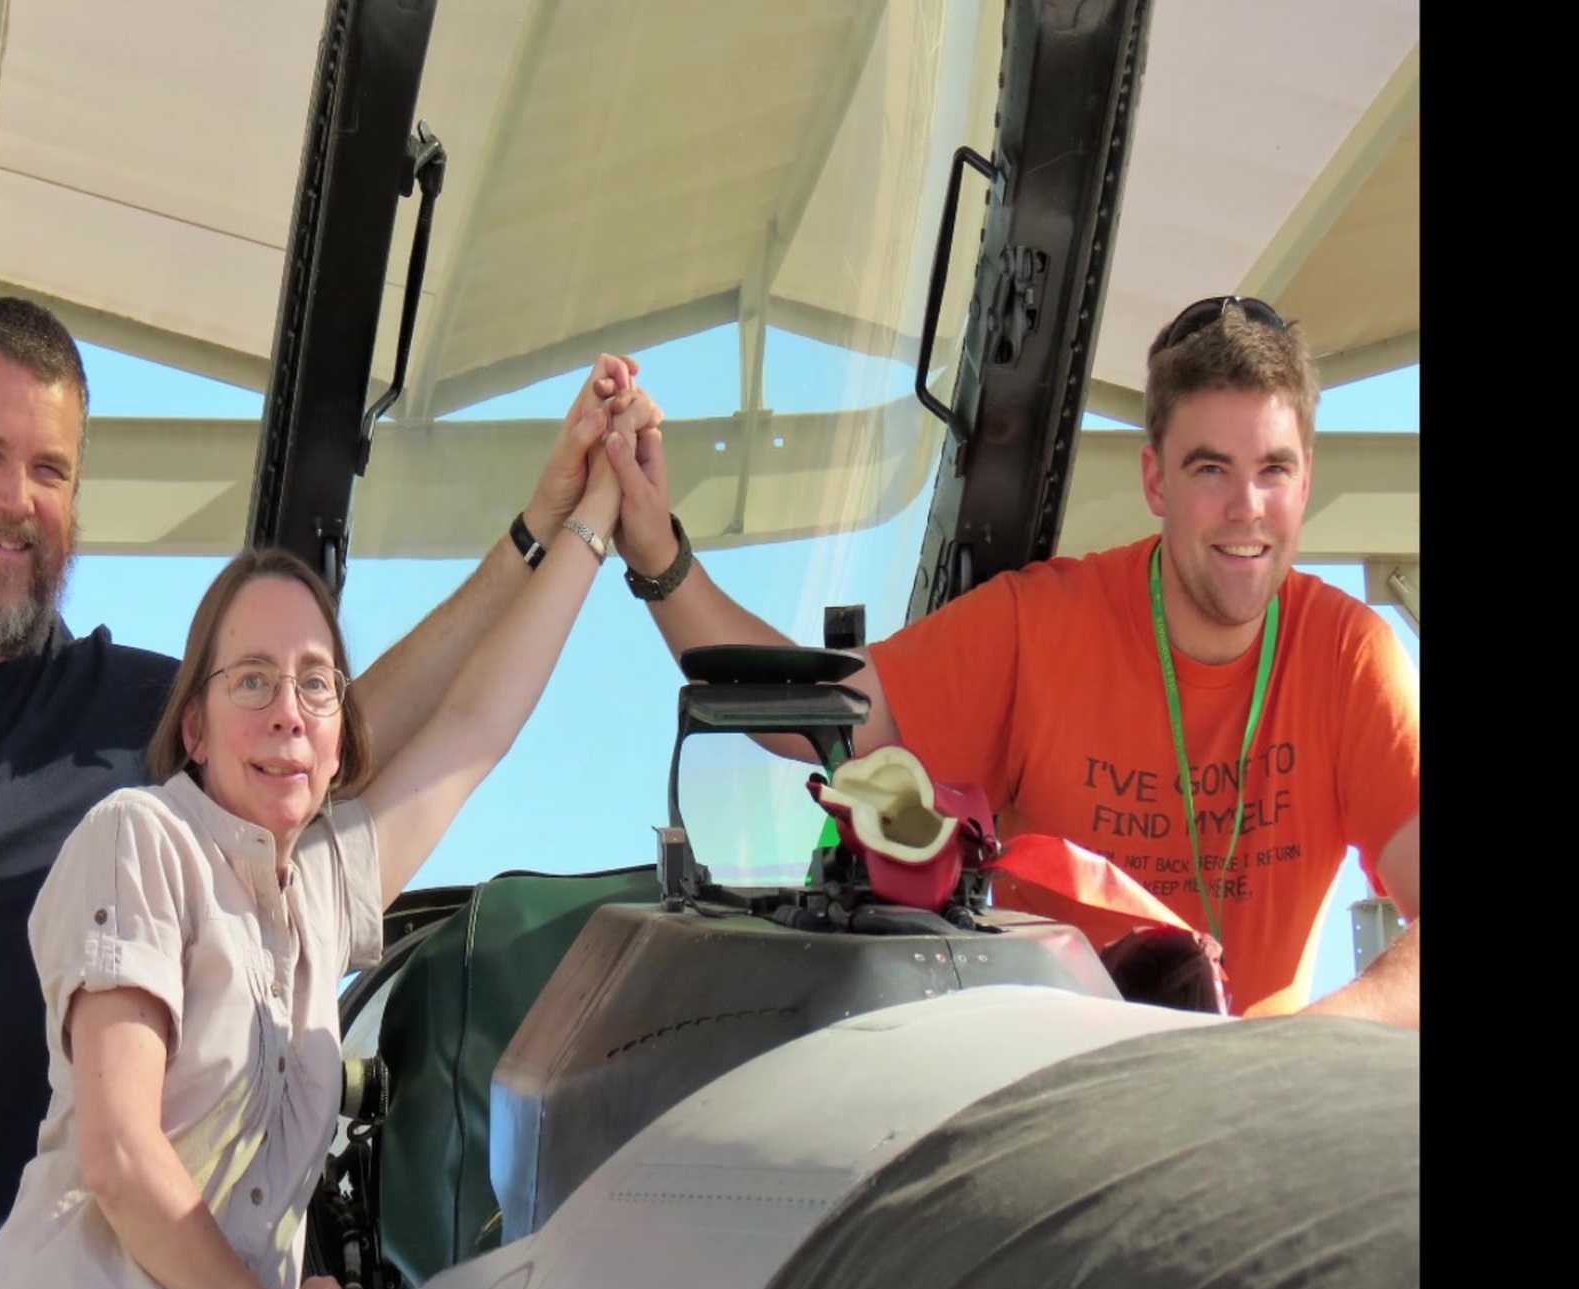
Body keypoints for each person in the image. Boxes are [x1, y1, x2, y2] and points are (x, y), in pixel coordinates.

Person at [0, 291, 655, 1289]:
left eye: (52, 470)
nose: (20, 501)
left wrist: (550, 527)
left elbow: (381, 720)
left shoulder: (136, 721)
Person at [601, 295, 1419, 1027]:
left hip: (1248, 1126)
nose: (1248, 508)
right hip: (1048, 1107)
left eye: (1273, 469)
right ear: (1155, 481)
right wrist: (660, 555)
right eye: (1211, 469)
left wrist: (1300, 1050)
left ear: (1306, 480)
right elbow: (813, 717)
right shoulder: (1042, 627)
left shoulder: (1349, 658)